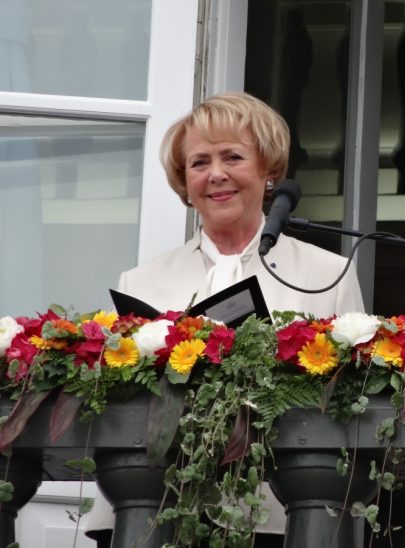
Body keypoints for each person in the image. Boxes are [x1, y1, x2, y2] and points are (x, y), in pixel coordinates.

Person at [84, 91, 365, 547]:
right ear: (185, 181)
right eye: (198, 163)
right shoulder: (140, 281)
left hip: (279, 516)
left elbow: (351, 402)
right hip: (152, 511)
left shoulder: (327, 274)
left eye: (233, 156)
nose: (215, 175)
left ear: (268, 170)